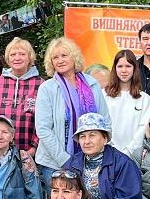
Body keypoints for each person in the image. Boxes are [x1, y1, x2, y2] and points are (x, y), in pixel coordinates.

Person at [34, 37, 110, 189]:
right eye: (55, 57)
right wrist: (65, 161)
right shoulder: (47, 88)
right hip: (55, 163)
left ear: (74, 57)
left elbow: (105, 121)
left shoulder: (92, 84)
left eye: (64, 55)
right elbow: (43, 129)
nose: (60, 60)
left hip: (91, 160)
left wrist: (101, 153)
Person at [0, 37, 43, 155]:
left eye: (22, 54)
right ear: (8, 59)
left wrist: (34, 148)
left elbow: (44, 120)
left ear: (30, 57)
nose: (17, 58)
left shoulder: (40, 84)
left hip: (29, 153)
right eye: (13, 54)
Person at [101, 49, 150, 163]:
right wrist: (112, 149)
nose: (124, 70)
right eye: (120, 66)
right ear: (115, 68)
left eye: (128, 66)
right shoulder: (103, 95)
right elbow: (102, 124)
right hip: (107, 154)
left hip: (133, 157)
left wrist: (128, 152)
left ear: (134, 68)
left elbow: (143, 128)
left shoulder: (144, 99)